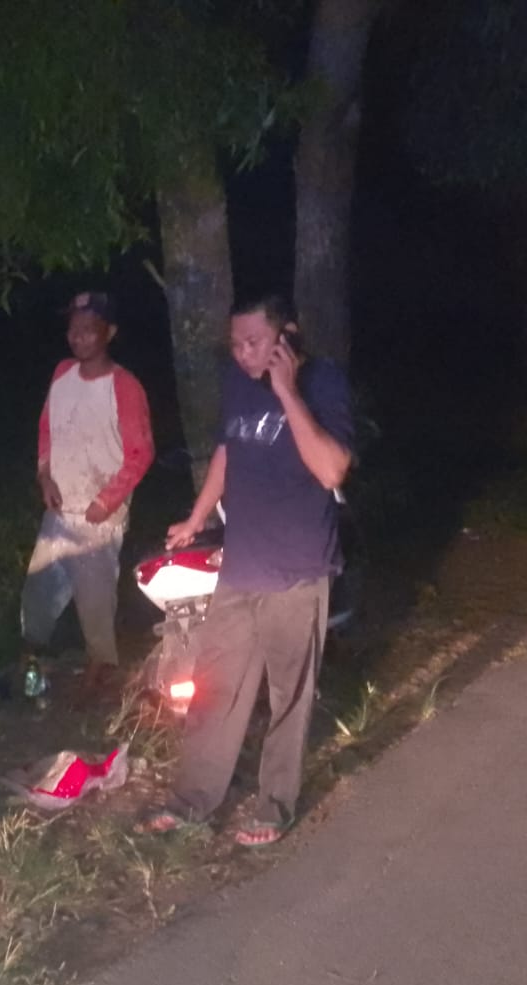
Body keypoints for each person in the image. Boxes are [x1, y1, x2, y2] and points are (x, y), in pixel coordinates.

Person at [141, 295, 354, 846]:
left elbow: (332, 469)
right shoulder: (237, 383)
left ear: (288, 335)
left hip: (297, 570)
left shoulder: (323, 382)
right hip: (241, 565)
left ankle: (274, 806)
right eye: (235, 344)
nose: (242, 354)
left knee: (289, 698)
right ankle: (192, 801)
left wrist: (286, 391)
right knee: (216, 691)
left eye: (254, 342)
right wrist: (196, 517)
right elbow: (227, 452)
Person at [20, 291, 153, 692]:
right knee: (39, 590)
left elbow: (141, 452)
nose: (78, 337)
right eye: (73, 329)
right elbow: (47, 430)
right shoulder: (62, 374)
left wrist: (105, 501)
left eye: (89, 329)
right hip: (60, 508)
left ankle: (101, 672)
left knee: (95, 601)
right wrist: (44, 475)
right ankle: (30, 659)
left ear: (109, 333)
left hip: (99, 516)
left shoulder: (124, 386)